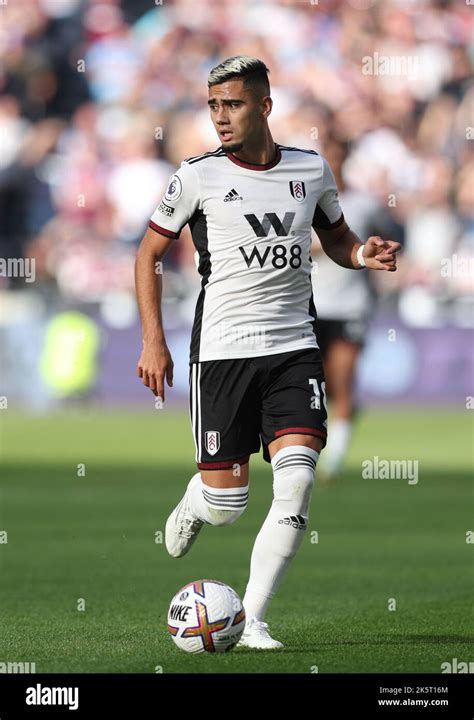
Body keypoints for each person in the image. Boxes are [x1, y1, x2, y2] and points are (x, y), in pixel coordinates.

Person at [135, 56, 400, 649]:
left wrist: (363, 256)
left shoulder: (310, 169)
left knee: (298, 482)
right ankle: (198, 502)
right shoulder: (196, 176)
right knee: (228, 505)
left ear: (264, 106)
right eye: (213, 106)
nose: (220, 118)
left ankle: (251, 618)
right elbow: (146, 254)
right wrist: (154, 339)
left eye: (232, 104)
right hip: (224, 353)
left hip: (293, 349)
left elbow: (335, 238)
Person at [311, 137, 404, 480]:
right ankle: (340, 420)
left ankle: (333, 461)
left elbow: (392, 236)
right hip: (311, 305)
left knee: (343, 378)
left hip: (351, 305)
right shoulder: (303, 202)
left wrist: (384, 251)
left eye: (336, 158)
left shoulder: (363, 204)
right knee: (320, 386)